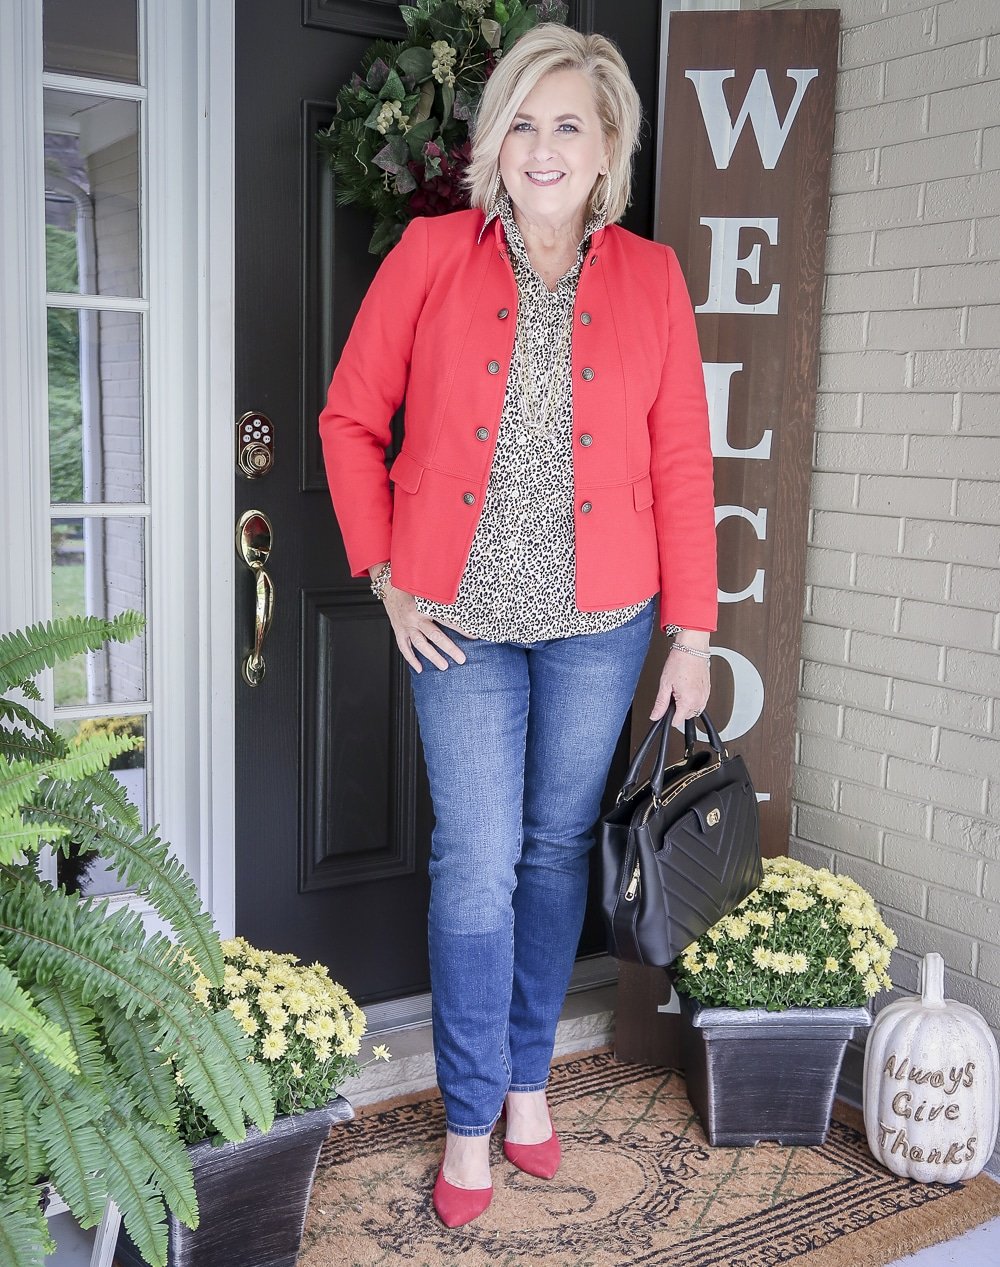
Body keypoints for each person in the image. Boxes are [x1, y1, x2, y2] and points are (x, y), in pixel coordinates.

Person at [319, 23, 717, 1228]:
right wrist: (385, 573)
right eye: (525, 124)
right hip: (458, 622)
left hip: (604, 618)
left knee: (553, 853)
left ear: (607, 151)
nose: (545, 148)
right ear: (497, 144)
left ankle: (532, 1080)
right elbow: (348, 418)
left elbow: (683, 461)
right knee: (476, 866)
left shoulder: (651, 277)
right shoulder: (435, 256)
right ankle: (470, 1116)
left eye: (570, 126)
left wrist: (690, 632)